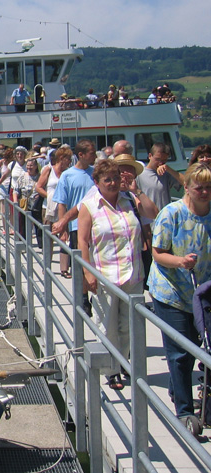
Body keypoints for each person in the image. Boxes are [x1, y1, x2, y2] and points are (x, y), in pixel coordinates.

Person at [148, 163, 211, 423]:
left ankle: (180, 391)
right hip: (171, 291)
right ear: (186, 187)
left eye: (209, 188)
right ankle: (185, 412)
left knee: (199, 348)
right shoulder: (171, 213)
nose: (205, 192)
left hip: (202, 292)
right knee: (180, 352)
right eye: (199, 188)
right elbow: (157, 253)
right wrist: (180, 262)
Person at [77, 160, 146, 390]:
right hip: (105, 275)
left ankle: (122, 361)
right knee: (107, 326)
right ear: (96, 182)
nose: (113, 183)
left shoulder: (130, 201)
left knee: (129, 325)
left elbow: (153, 214)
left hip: (133, 273)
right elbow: (82, 241)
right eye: (107, 179)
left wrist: (137, 191)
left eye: (116, 178)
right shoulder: (89, 206)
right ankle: (111, 370)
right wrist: (88, 272)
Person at [52, 140, 97, 306]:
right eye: (92, 153)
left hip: (96, 225)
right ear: (81, 155)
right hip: (77, 226)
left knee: (95, 261)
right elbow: (62, 203)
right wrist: (63, 226)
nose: (95, 156)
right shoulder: (67, 175)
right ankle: (83, 297)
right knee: (81, 263)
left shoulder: (96, 173)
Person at [36, 145, 73, 277]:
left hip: (64, 209)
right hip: (48, 208)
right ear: (61, 158)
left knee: (64, 237)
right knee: (48, 238)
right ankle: (46, 266)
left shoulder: (68, 172)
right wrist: (51, 197)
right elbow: (38, 187)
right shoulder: (49, 169)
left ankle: (64, 269)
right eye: (68, 159)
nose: (70, 161)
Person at [137, 142, 183, 214]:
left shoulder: (166, 174)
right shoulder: (139, 174)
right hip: (148, 217)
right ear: (150, 156)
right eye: (157, 159)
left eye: (164, 160)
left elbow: (187, 183)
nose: (160, 163)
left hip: (165, 216)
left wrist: (169, 169)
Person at [15, 157, 40, 241]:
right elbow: (16, 190)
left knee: (38, 225)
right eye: (28, 165)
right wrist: (15, 202)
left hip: (37, 204)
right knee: (23, 225)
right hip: (24, 204)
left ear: (36, 166)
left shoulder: (40, 177)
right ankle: (23, 242)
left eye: (31, 165)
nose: (29, 167)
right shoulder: (22, 176)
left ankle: (41, 244)